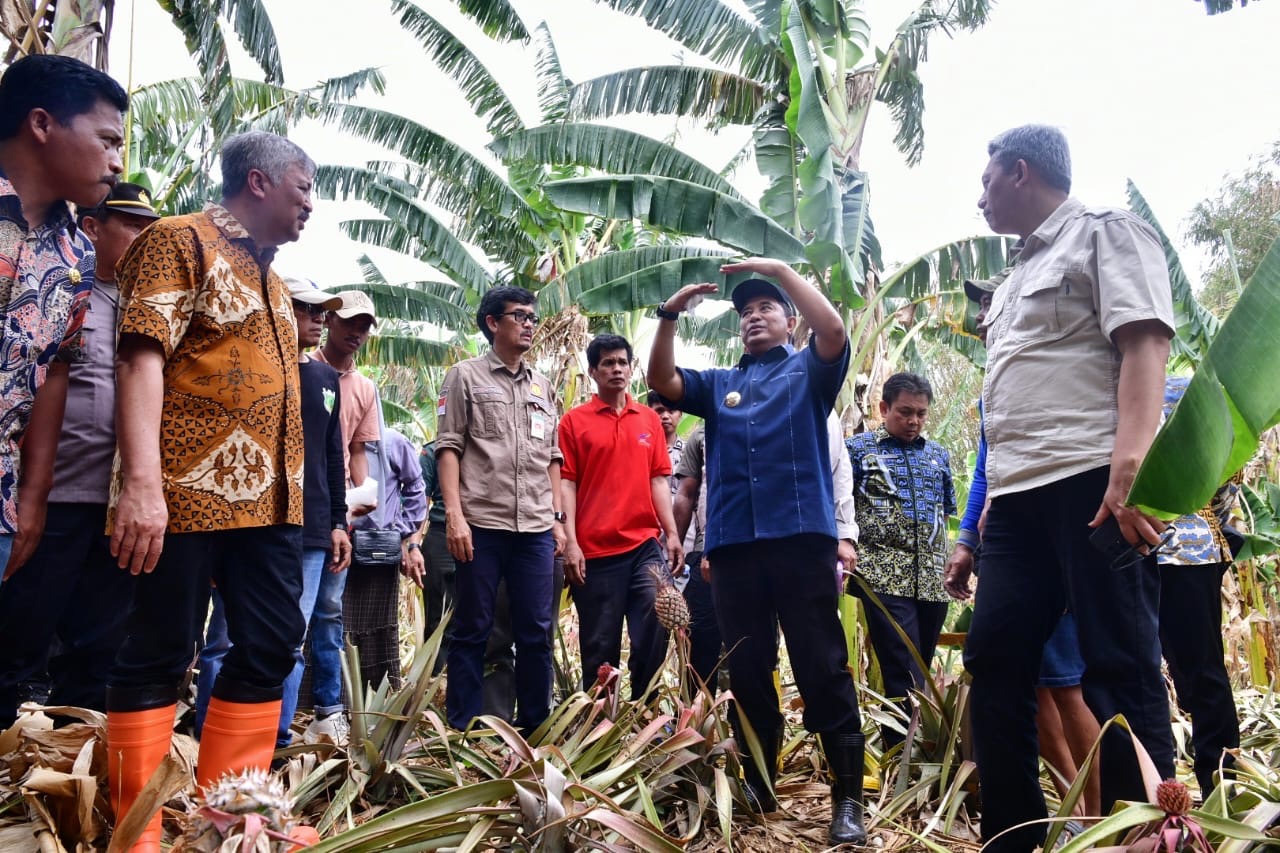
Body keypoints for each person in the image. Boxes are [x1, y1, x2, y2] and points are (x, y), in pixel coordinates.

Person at [962, 124, 1175, 852]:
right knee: (993, 659)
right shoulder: (1014, 274)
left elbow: (1144, 340)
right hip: (1017, 501)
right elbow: (1011, 397)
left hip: (1092, 478)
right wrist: (990, 496)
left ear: (1020, 173)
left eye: (988, 180)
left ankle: (1140, 832)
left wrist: (1132, 460)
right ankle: (1011, 836)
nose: (980, 197)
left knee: (1117, 661)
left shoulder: (1105, 233)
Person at [106, 130, 316, 851]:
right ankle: (138, 829)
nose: (309, 205)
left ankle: (228, 818)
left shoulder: (280, 286)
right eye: (304, 187)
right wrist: (141, 485)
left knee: (272, 642)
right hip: (182, 494)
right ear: (258, 182)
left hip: (271, 507)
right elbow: (139, 359)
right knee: (161, 649)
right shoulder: (177, 240)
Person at [648, 258, 867, 846]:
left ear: (791, 321)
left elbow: (835, 332)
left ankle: (849, 799)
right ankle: (760, 782)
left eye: (765, 307)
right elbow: (663, 379)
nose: (752, 317)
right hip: (735, 550)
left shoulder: (810, 374)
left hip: (801, 547)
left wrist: (779, 270)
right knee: (747, 669)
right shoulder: (720, 385)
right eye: (745, 312)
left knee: (822, 666)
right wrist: (670, 315)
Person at [944, 271, 1101, 819]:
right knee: (1027, 685)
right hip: (1005, 544)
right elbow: (988, 469)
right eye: (984, 306)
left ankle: (1104, 819)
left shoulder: (1051, 364)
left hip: (1047, 536)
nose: (985, 315)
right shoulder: (998, 382)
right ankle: (1071, 811)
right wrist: (967, 540)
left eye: (995, 303)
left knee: (1066, 681)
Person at [0, 183, 155, 726]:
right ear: (93, 228)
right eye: (132, 225)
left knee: (98, 647)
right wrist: (29, 496)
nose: (145, 237)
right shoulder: (61, 289)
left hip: (118, 510)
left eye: (150, 227)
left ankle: (69, 766)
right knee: (22, 637)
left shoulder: (147, 309)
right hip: (54, 497)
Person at [195, 277, 352, 749]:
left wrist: (338, 522)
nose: (318, 320)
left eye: (322, 312)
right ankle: (209, 736)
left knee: (289, 637)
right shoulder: (249, 364)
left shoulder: (326, 380)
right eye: (307, 309)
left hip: (309, 529)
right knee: (225, 636)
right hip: (248, 524)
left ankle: (273, 739)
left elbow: (331, 455)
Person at [0, 55, 126, 581]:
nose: (117, 162)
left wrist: (32, 494)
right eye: (107, 140)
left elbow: (54, 373)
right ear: (42, 124)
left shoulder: (77, 256)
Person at [436, 286, 565, 736]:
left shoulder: (542, 385)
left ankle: (535, 728)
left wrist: (557, 519)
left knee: (536, 630)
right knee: (474, 627)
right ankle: (463, 728)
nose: (529, 323)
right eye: (519, 316)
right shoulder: (464, 377)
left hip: (534, 527)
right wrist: (454, 515)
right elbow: (448, 447)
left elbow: (552, 457)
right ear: (493, 322)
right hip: (482, 524)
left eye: (533, 317)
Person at [559, 334, 682, 699]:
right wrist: (571, 543)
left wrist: (671, 533)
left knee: (657, 624)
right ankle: (599, 720)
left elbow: (658, 480)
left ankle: (645, 708)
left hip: (645, 546)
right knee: (599, 643)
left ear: (631, 369)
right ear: (593, 372)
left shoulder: (647, 419)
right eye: (607, 363)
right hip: (595, 553)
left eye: (622, 362)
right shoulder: (573, 422)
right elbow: (566, 485)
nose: (616, 369)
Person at [845, 372, 956, 750]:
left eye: (921, 414)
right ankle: (900, 756)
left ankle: (920, 752)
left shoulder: (939, 455)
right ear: (883, 408)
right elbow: (839, 507)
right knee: (900, 667)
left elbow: (947, 513)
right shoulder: (857, 450)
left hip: (932, 578)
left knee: (921, 666)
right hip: (882, 575)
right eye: (905, 412)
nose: (914, 421)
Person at [301, 289, 382, 744]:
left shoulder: (364, 388)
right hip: (300, 509)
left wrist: (358, 498)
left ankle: (329, 709)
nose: (357, 332)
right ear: (329, 321)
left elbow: (355, 450)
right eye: (350, 322)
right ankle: (279, 710)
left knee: (330, 612)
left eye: (365, 326)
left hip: (336, 511)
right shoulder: (300, 367)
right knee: (289, 613)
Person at [1157, 376, 1240, 797]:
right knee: (1190, 670)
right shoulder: (1096, 387)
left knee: (1200, 670)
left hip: (1185, 551)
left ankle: (1220, 783)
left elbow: (1226, 465)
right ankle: (1183, 780)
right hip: (1150, 551)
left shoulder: (1186, 390)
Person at [345, 425, 426, 690]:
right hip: (338, 546)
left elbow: (416, 486)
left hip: (378, 550)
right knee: (336, 625)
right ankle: (336, 702)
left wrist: (400, 530)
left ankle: (378, 696)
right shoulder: (335, 436)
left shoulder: (393, 442)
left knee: (378, 625)